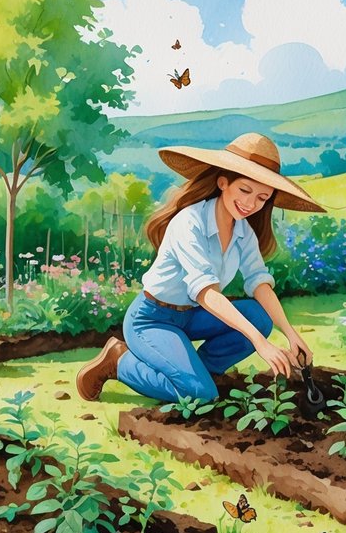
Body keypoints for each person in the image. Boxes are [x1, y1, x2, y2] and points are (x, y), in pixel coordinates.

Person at [76, 132, 326, 403]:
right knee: (200, 394)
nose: (250, 204)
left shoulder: (243, 232)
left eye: (262, 197)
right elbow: (206, 292)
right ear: (223, 182)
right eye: (244, 190)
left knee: (259, 316)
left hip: (191, 318)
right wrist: (259, 342)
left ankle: (200, 372)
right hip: (152, 319)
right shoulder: (189, 223)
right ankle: (119, 362)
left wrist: (291, 334)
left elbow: (259, 283)